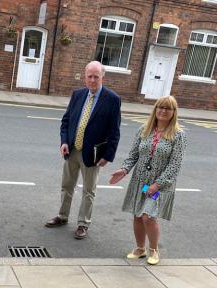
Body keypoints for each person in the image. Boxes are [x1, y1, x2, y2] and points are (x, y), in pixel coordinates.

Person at [45, 61, 121, 239]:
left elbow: (114, 131)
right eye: (90, 76)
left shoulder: (112, 99)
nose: (92, 80)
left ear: (102, 77)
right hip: (71, 150)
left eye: (96, 76)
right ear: (85, 76)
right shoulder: (77, 94)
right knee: (67, 185)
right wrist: (64, 141)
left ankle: (83, 224)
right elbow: (66, 121)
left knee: (89, 190)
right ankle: (62, 216)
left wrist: (108, 155)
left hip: (93, 155)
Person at [109, 95, 186, 265]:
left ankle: (154, 250)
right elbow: (133, 155)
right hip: (141, 183)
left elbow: (175, 165)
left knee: (148, 216)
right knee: (137, 215)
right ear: (155, 109)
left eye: (168, 108)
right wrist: (124, 170)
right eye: (160, 107)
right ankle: (140, 249)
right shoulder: (144, 130)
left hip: (159, 186)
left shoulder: (178, 136)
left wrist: (157, 185)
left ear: (174, 112)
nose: (163, 111)